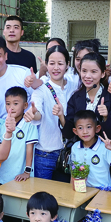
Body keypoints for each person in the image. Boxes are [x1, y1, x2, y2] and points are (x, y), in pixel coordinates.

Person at [24, 45, 76, 180]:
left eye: (60, 63)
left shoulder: (74, 84)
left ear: (67, 65)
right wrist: (32, 113)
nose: (56, 67)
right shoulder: (41, 88)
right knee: (43, 196)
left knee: (66, 196)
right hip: (45, 154)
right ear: (46, 65)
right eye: (52, 63)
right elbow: (38, 113)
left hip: (70, 152)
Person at [0, 35, 33, 148]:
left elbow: (37, 102)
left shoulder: (23, 74)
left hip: (28, 137)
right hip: (2, 137)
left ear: (6, 56)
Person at [62, 52, 111, 140]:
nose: (87, 76)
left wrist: (105, 117)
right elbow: (69, 134)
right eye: (84, 71)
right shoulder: (75, 97)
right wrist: (60, 116)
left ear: (103, 74)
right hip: (80, 150)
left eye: (93, 72)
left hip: (104, 151)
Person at [0, 87, 38, 187]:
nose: (11, 107)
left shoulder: (29, 124)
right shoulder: (3, 123)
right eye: (8, 103)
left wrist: (27, 172)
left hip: (19, 176)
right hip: (0, 174)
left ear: (25, 105)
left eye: (15, 104)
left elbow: (30, 149)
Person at [69, 110, 111, 188]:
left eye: (89, 127)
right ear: (75, 131)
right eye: (80, 128)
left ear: (97, 128)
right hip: (82, 190)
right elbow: (74, 171)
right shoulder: (75, 147)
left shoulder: (105, 147)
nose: (85, 132)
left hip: (103, 192)